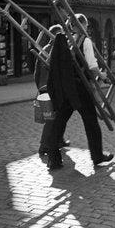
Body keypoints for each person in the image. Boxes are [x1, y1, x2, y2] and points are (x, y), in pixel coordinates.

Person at [46, 13, 114, 170]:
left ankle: (53, 158)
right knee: (91, 123)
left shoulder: (68, 39)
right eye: (86, 25)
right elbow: (92, 66)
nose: (87, 28)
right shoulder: (86, 40)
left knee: (59, 121)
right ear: (83, 25)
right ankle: (97, 156)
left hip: (68, 86)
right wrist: (103, 76)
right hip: (81, 87)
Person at [34, 24, 70, 157]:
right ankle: (43, 146)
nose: (64, 36)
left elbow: (36, 73)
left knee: (59, 116)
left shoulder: (44, 49)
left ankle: (59, 140)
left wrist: (39, 87)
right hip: (52, 89)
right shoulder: (57, 49)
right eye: (61, 34)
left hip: (45, 88)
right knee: (51, 119)